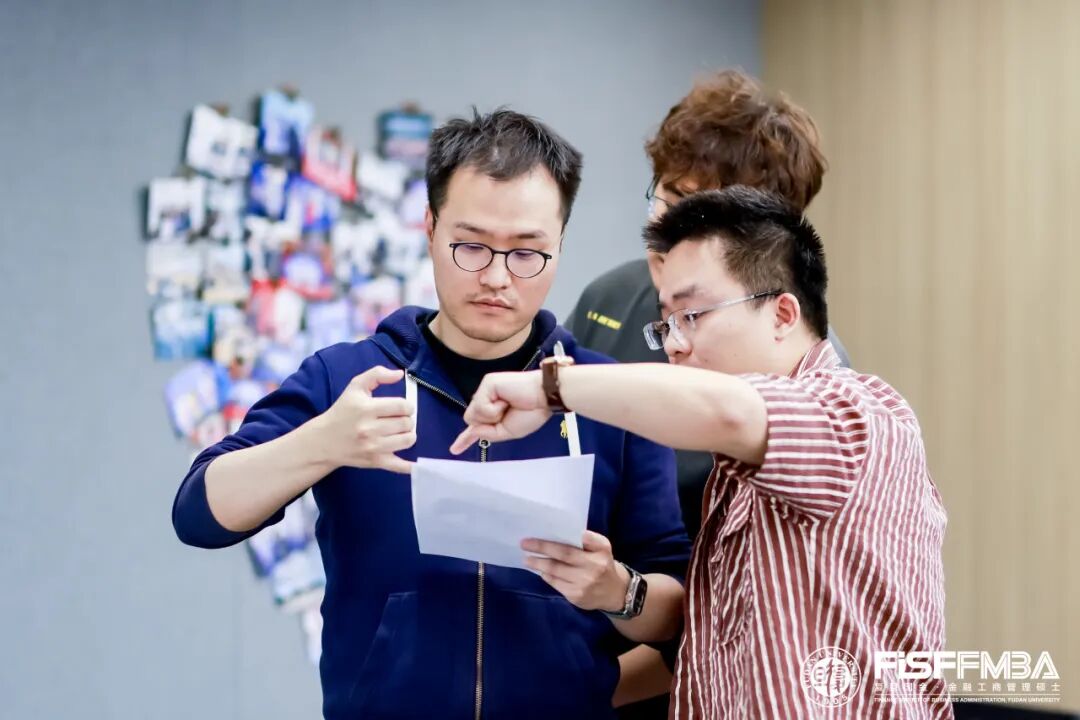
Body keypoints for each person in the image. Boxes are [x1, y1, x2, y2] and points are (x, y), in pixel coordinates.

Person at [172, 109, 691, 720]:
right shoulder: (349, 380)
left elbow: (679, 612)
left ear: (559, 245)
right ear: (429, 228)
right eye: (470, 247)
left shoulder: (611, 398)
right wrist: (322, 442)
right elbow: (199, 514)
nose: (496, 277)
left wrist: (618, 590)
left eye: (527, 253)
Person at [453, 187, 951, 719]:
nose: (674, 343)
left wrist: (551, 389)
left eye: (693, 315)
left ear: (783, 314)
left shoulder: (858, 414)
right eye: (667, 322)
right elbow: (709, 654)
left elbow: (728, 410)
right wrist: (617, 596)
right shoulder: (734, 477)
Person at [564, 70, 851, 713]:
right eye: (665, 193)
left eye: (696, 211)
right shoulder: (612, 297)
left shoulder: (819, 391)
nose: (665, 223)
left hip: (706, 674)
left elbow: (752, 615)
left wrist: (591, 691)